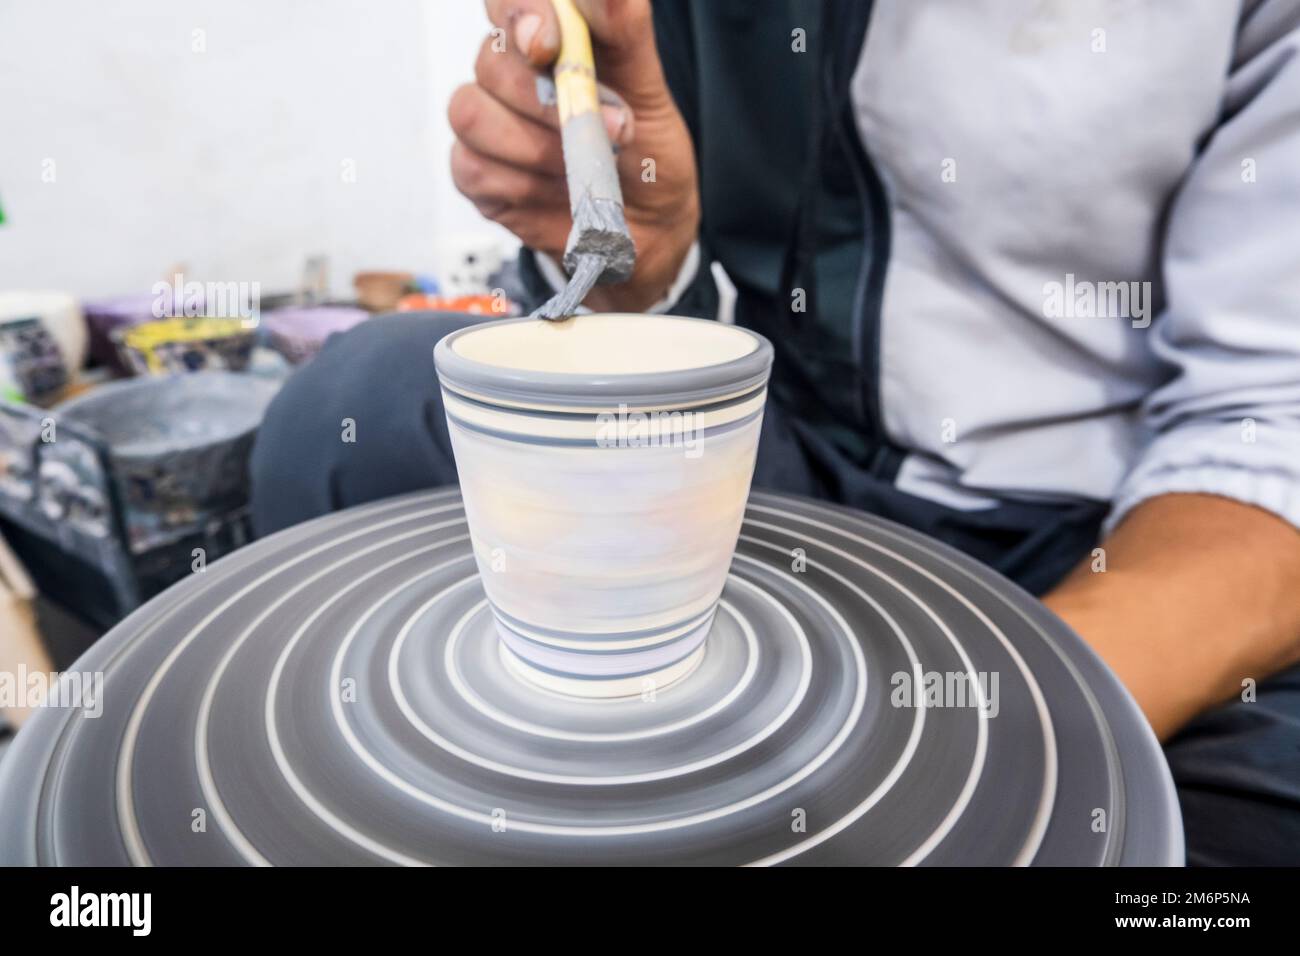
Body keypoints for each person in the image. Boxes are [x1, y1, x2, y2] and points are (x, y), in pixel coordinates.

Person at [251, 0, 1300, 865]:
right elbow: (664, 316)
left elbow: (1270, 431)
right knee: (363, 417)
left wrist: (953, 754)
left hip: (1118, 532)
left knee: (1188, 843)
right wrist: (640, 268)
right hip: (777, 471)